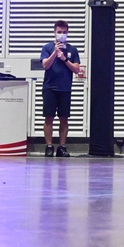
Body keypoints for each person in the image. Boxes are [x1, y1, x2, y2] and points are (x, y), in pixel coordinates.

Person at [40, 20, 81, 157]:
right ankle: (49, 146)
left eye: (64, 32)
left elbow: (77, 69)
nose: (61, 34)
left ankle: (62, 147)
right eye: (59, 32)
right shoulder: (47, 48)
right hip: (49, 88)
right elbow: (45, 65)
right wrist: (55, 53)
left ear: (67, 33)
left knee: (64, 118)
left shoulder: (72, 50)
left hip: (65, 89)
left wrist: (64, 58)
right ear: (54, 32)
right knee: (49, 117)